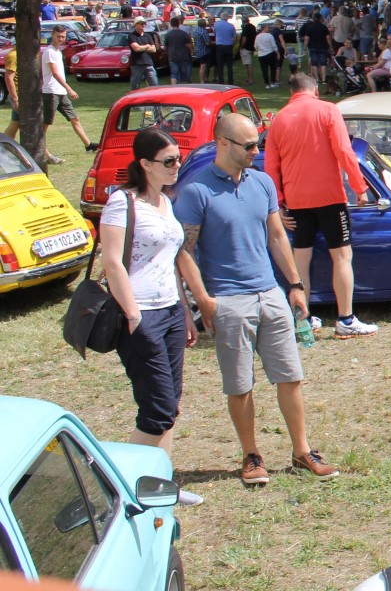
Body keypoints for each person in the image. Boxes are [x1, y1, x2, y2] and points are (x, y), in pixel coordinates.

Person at [175, 112, 341, 485]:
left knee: (291, 376)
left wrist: (295, 285)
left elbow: (277, 237)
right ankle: (251, 456)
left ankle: (302, 452)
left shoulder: (263, 182)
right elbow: (182, 250)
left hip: (270, 293)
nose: (256, 150)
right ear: (222, 144)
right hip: (229, 301)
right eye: (249, 145)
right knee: (240, 384)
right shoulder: (196, 191)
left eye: (257, 144)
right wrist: (202, 300)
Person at [100, 128, 208, 505]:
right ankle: (127, 487)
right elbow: (112, 262)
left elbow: (172, 260)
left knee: (170, 404)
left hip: (171, 313)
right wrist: (132, 316)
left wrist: (185, 310)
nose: (177, 165)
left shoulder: (166, 202)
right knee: (158, 407)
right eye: (168, 161)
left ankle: (161, 487)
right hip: (140, 314)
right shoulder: (122, 203)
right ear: (145, 164)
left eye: (178, 158)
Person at [264, 73, 376, 338]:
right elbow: (343, 150)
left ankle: (304, 318)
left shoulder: (279, 119)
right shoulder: (327, 110)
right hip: (329, 198)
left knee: (301, 259)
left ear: (292, 92)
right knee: (342, 256)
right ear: (314, 90)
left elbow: (271, 166)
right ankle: (346, 319)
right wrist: (360, 187)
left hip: (295, 200)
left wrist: (277, 203)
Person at [40, 25, 95, 162]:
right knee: (46, 124)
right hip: (51, 92)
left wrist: (65, 90)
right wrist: (69, 89)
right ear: (52, 34)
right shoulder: (49, 52)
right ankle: (44, 153)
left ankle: (89, 145)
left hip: (60, 92)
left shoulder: (58, 52)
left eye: (63, 37)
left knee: (74, 118)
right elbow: (55, 73)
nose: (61, 39)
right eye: (58, 36)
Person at [301, 11, 333, 84]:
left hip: (312, 47)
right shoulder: (324, 27)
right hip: (323, 46)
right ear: (320, 19)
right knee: (323, 63)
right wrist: (330, 47)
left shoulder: (310, 27)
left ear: (313, 19)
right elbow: (328, 38)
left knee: (314, 63)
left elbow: (306, 38)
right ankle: (324, 79)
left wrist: (304, 48)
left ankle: (317, 79)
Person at [128, 18, 160, 89]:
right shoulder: (132, 36)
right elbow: (136, 48)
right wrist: (147, 46)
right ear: (136, 25)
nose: (143, 25)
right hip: (137, 64)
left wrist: (142, 48)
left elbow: (154, 49)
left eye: (144, 23)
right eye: (141, 23)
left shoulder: (147, 36)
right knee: (135, 84)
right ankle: (134, 98)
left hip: (148, 63)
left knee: (154, 83)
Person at [164, 15, 193, 85]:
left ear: (171, 24)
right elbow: (190, 45)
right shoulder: (184, 34)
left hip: (173, 57)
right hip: (183, 56)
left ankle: (173, 88)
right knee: (184, 75)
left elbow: (165, 47)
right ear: (178, 24)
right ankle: (183, 88)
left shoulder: (168, 34)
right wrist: (191, 49)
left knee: (174, 74)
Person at [253, 20, 282, 89]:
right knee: (272, 68)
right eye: (268, 27)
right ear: (265, 28)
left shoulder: (258, 37)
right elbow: (274, 46)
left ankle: (266, 84)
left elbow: (255, 46)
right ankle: (272, 82)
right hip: (270, 53)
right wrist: (277, 53)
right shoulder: (269, 36)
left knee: (264, 69)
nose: (269, 28)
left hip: (261, 55)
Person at [212, 12, 238, 86]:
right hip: (228, 46)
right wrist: (232, 43)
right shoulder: (231, 26)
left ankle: (221, 80)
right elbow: (235, 37)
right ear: (227, 18)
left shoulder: (216, 24)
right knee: (229, 64)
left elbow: (215, 33)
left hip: (220, 46)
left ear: (221, 17)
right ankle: (230, 80)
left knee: (220, 64)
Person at [191, 14, 215, 84]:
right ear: (204, 24)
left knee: (202, 66)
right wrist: (213, 43)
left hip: (198, 50)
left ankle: (204, 79)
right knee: (203, 66)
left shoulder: (195, 31)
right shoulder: (203, 31)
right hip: (204, 51)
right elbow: (207, 43)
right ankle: (202, 81)